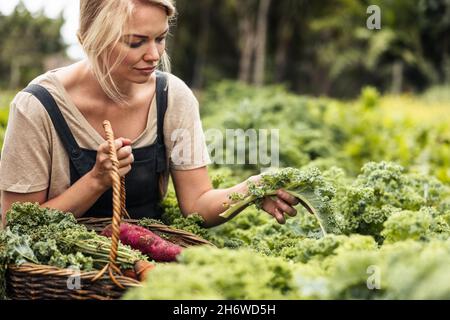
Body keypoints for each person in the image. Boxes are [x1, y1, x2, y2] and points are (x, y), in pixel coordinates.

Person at [0, 0, 299, 228]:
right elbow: (16, 224)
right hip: (60, 278)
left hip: (145, 270)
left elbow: (197, 204)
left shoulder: (172, 98)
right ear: (91, 39)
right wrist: (95, 181)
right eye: (136, 42)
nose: (154, 55)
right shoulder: (37, 107)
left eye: (160, 38)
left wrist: (252, 188)